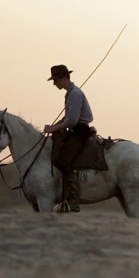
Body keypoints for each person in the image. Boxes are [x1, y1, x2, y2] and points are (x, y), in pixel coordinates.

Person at [43, 64, 94, 213]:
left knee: (63, 161)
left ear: (64, 78)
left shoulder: (75, 94)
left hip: (80, 131)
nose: (54, 84)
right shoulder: (70, 93)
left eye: (56, 80)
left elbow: (71, 121)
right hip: (75, 129)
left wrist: (53, 128)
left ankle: (73, 202)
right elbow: (68, 117)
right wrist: (56, 125)